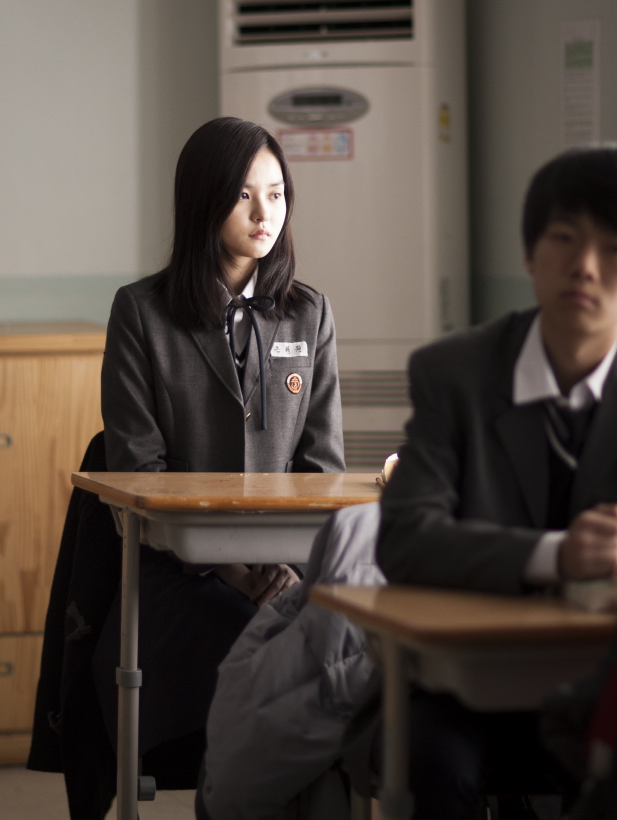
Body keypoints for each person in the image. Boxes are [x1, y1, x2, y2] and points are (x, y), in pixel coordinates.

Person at [92, 117, 344, 774]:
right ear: (203, 200)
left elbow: (323, 470)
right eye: (243, 195)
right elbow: (139, 475)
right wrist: (237, 571)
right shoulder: (141, 313)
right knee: (268, 648)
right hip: (181, 571)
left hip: (287, 568)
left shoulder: (310, 313)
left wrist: (282, 571)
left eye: (276, 193)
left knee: (353, 645)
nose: (265, 213)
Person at [377, 146, 617, 820]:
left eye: (612, 248)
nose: (586, 266)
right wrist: (556, 555)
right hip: (468, 683)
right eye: (565, 238)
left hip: (606, 680)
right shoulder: (455, 374)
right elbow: (405, 538)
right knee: (430, 760)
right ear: (529, 254)